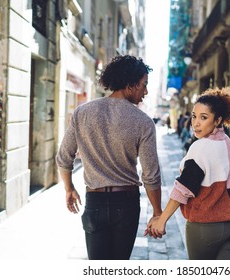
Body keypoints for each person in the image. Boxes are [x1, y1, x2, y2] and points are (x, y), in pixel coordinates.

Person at [56, 55, 163, 260]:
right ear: (130, 85)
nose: (146, 92)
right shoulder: (143, 122)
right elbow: (151, 175)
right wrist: (157, 213)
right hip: (126, 203)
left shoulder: (82, 113)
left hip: (94, 200)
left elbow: (64, 158)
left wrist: (69, 189)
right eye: (143, 85)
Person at [145, 87, 230, 260]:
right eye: (194, 116)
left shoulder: (201, 147)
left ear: (218, 120)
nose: (196, 123)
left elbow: (183, 188)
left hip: (206, 228)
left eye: (204, 118)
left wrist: (161, 220)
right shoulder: (227, 141)